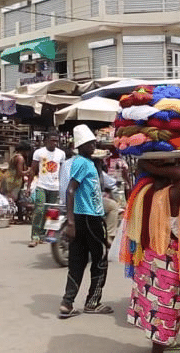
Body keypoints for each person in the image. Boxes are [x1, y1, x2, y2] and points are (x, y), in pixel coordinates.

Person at [125, 158, 180, 352]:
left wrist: (148, 167)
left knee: (153, 305)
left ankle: (163, 343)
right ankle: (158, 349)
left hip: (148, 256)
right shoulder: (169, 196)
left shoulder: (144, 190)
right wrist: (152, 166)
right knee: (164, 309)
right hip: (166, 258)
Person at [59, 125, 111, 319]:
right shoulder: (82, 163)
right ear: (82, 146)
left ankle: (67, 303)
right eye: (91, 143)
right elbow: (71, 190)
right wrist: (70, 222)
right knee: (100, 259)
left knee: (77, 260)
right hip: (89, 218)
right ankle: (93, 302)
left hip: (82, 217)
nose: (94, 146)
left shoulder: (88, 162)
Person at [28, 132, 65, 247]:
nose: (54, 143)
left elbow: (63, 172)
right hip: (42, 186)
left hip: (55, 187)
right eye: (52, 140)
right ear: (46, 141)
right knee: (39, 210)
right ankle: (35, 236)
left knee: (52, 212)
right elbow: (33, 170)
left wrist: (63, 187)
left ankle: (47, 234)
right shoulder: (39, 153)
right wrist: (29, 185)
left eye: (56, 141)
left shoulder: (61, 154)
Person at [0, 142, 31, 223]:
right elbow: (20, 173)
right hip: (13, 181)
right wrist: (29, 171)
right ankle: (10, 217)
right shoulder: (20, 158)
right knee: (12, 199)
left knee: (9, 199)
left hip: (8, 178)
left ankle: (14, 217)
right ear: (24, 150)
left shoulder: (14, 155)